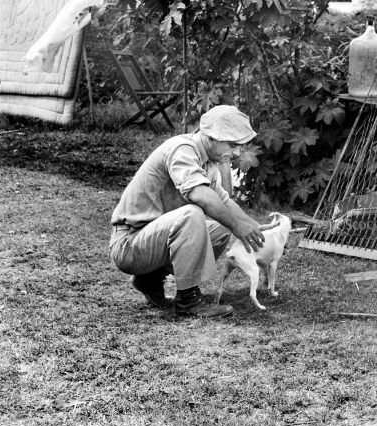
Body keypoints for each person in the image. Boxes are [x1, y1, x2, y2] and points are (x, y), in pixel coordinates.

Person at [109, 104, 266, 317]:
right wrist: (238, 225)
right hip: (129, 244)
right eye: (231, 144)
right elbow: (199, 195)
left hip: (149, 240)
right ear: (210, 137)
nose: (237, 152)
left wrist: (251, 227)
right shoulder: (182, 149)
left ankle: (150, 278)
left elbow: (224, 202)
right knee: (192, 214)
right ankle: (188, 301)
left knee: (221, 228)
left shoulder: (208, 162)